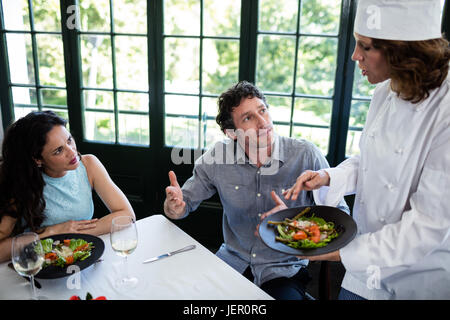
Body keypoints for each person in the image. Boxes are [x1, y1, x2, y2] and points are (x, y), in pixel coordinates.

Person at [283, 0, 450, 300]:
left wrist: (337, 251)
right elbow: (373, 161)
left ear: (403, 51)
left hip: (418, 279)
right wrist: (329, 176)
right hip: (365, 273)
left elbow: (427, 226)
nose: (354, 55)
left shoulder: (446, 108)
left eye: (365, 46)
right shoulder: (385, 91)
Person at [164, 81, 349, 300]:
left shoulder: (305, 154)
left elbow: (341, 219)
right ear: (231, 133)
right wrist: (174, 206)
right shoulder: (217, 158)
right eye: (248, 118)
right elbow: (182, 206)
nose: (263, 123)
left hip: (284, 268)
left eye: (263, 110)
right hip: (231, 262)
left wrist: (293, 226)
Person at [0, 111, 135, 262]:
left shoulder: (89, 164)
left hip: (79, 257)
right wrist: (53, 232)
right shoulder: (21, 183)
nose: (72, 152)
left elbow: (127, 216)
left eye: (69, 140)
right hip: (37, 266)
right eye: (58, 150)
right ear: (37, 160)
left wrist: (73, 235)